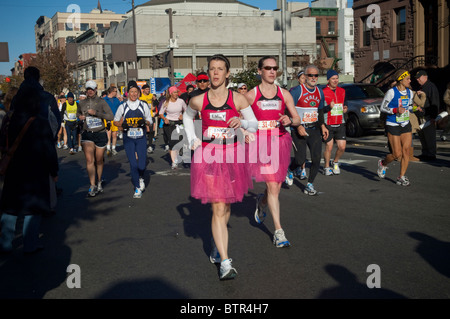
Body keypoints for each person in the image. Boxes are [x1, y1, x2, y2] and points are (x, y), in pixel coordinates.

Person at [183, 54, 258, 280]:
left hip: (233, 155)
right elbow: (187, 118)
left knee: (225, 207)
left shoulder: (238, 99)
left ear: (227, 73)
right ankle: (225, 262)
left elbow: (253, 124)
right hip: (209, 155)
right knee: (217, 206)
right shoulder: (198, 100)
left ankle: (217, 245)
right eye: (212, 69)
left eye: (220, 69)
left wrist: (242, 123)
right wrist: (191, 139)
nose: (215, 73)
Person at [245, 56, 301, 247]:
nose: (271, 71)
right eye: (267, 68)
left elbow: (297, 119)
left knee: (275, 187)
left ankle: (261, 202)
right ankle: (279, 232)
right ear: (260, 71)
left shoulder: (284, 94)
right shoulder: (251, 95)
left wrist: (289, 120)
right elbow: (238, 119)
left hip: (281, 141)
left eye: (274, 68)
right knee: (272, 185)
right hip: (261, 143)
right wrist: (245, 132)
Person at [0, 85, 58, 254]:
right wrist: (53, 171)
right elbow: (49, 149)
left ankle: (5, 243)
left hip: (14, 168)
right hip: (35, 170)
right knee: (33, 208)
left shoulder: (10, 119)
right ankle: (30, 244)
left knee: (11, 207)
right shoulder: (39, 122)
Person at [287, 64, 328, 195]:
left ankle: (310, 185)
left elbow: (320, 110)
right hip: (298, 129)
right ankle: (290, 169)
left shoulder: (319, 91)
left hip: (314, 129)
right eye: (311, 75)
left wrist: (322, 125)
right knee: (300, 160)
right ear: (304, 76)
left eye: (316, 75)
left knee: (316, 159)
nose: (313, 77)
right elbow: (287, 110)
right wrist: (297, 126)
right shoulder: (297, 91)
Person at [114, 81, 153, 199]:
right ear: (128, 93)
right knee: (133, 163)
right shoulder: (123, 106)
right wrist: (122, 126)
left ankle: (141, 177)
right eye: (131, 92)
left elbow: (150, 121)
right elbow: (115, 121)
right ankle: (137, 187)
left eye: (136, 91)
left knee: (141, 164)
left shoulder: (143, 105)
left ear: (139, 93)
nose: (134, 94)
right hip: (128, 138)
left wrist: (144, 122)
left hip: (141, 138)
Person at [77, 80, 114, 197]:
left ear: (95, 90)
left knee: (99, 160)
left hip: (100, 133)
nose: (90, 91)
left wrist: (97, 113)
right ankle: (92, 185)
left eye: (92, 89)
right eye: (88, 89)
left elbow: (111, 116)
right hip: (87, 134)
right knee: (89, 160)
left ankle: (99, 182)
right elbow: (78, 114)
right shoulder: (81, 103)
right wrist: (80, 117)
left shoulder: (101, 102)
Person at [377, 69, 414, 186]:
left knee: (406, 151)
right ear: (401, 80)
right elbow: (383, 107)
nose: (410, 80)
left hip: (405, 123)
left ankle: (401, 176)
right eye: (407, 78)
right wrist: (395, 110)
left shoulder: (410, 92)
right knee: (396, 154)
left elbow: (410, 106)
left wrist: (416, 108)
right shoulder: (391, 92)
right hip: (392, 124)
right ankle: (383, 163)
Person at [322, 69, 348, 176]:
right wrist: (329, 107)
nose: (335, 80)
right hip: (328, 123)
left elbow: (345, 104)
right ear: (328, 80)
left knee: (342, 147)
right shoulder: (323, 92)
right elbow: (320, 109)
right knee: (329, 146)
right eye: (333, 78)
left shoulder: (342, 91)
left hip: (340, 122)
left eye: (337, 78)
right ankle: (327, 167)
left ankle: (335, 162)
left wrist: (345, 108)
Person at [286, 70, 308, 181]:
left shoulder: (310, 91)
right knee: (300, 151)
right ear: (298, 79)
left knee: (304, 151)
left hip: (309, 124)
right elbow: (289, 109)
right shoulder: (293, 91)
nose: (305, 79)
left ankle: (302, 169)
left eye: (306, 77)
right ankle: (299, 168)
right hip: (296, 126)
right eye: (302, 77)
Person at [159, 86, 187, 169]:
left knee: (178, 142)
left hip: (179, 123)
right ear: (171, 93)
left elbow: (186, 110)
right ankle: (174, 162)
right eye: (174, 92)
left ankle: (178, 154)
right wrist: (164, 118)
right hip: (169, 124)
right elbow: (161, 113)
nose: (176, 94)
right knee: (172, 143)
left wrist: (182, 115)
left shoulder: (181, 101)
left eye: (177, 92)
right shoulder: (166, 102)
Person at [415, 70, 439, 161]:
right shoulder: (423, 87)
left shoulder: (431, 87)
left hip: (428, 116)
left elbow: (435, 102)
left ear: (425, 76)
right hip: (422, 115)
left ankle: (431, 154)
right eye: (416, 78)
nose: (417, 79)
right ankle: (425, 152)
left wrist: (433, 117)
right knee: (423, 136)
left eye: (419, 77)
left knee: (429, 136)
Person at [103, 86, 121, 156]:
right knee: (108, 133)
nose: (116, 93)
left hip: (115, 119)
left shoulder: (116, 100)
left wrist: (121, 100)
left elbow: (120, 108)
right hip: (107, 119)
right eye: (115, 91)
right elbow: (102, 109)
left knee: (115, 134)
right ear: (111, 92)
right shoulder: (104, 99)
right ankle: (108, 148)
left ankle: (113, 148)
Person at [139, 84, 155, 154]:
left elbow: (155, 102)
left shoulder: (151, 95)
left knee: (151, 131)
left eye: (148, 89)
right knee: (144, 131)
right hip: (142, 116)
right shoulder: (140, 96)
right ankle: (143, 145)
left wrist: (154, 107)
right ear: (143, 90)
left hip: (150, 115)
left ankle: (150, 145)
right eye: (146, 89)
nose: (148, 91)